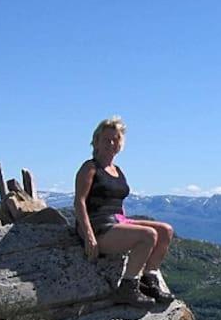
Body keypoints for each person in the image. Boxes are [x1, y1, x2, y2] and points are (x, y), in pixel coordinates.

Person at [74, 116, 175, 307]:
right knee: (148, 235)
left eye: (116, 139)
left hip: (117, 220)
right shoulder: (90, 168)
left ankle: (149, 279)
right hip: (98, 226)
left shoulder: (117, 170)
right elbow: (79, 202)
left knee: (165, 231)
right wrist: (89, 236)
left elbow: (117, 201)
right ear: (96, 141)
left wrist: (127, 224)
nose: (111, 144)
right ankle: (128, 287)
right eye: (106, 139)